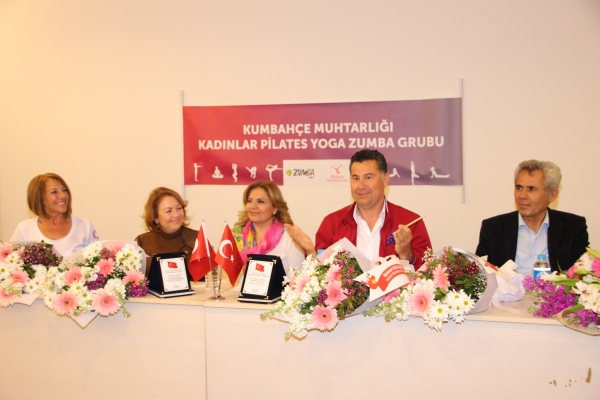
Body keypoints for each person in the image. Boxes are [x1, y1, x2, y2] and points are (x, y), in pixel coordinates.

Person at [315, 149, 431, 268]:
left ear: (385, 180)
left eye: (368, 177)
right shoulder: (331, 224)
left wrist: (406, 255)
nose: (361, 186)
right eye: (356, 178)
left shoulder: (411, 223)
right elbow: (318, 273)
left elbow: (427, 273)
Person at [476, 160, 588, 275]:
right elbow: (479, 275)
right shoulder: (493, 228)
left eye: (531, 189)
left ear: (552, 195)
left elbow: (581, 274)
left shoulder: (573, 227)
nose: (522, 195)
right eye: (519, 188)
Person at [233, 181, 315, 276]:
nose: (252, 206)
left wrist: (311, 252)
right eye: (249, 201)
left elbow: (299, 277)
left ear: (275, 208)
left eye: (260, 201)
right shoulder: (238, 236)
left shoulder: (289, 236)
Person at [10, 173, 98, 257]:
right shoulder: (24, 229)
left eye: (64, 190)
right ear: (40, 198)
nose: (63, 196)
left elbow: (97, 261)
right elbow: (10, 262)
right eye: (54, 192)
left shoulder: (84, 226)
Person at [135, 187, 198, 276]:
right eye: (168, 211)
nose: (176, 214)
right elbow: (134, 277)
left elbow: (209, 275)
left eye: (179, 208)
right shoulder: (142, 242)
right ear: (155, 217)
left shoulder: (197, 238)